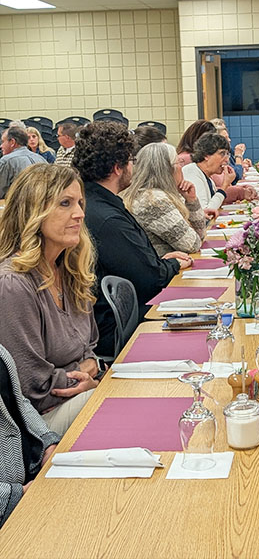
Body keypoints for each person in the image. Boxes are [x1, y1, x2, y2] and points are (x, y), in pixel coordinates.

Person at [72, 122, 191, 357]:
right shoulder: (106, 218)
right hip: (116, 329)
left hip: (114, 319)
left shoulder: (99, 203)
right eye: (130, 161)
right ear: (118, 167)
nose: (132, 167)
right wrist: (172, 265)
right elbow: (150, 280)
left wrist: (161, 263)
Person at [0, 164, 101, 435]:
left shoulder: (68, 270)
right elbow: (31, 386)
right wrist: (83, 375)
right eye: (65, 203)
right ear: (33, 211)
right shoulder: (13, 285)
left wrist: (89, 369)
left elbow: (90, 348)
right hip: (33, 428)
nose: (79, 214)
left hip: (71, 397)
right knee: (108, 404)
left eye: (80, 203)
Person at [0, 344, 60, 528]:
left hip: (28, 473)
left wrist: (47, 442)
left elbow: (19, 400)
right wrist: (18, 493)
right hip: (12, 503)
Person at [122, 143, 206, 256]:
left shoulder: (151, 194)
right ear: (167, 170)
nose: (181, 167)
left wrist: (191, 200)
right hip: (167, 270)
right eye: (179, 163)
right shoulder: (153, 201)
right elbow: (192, 244)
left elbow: (199, 236)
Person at [182, 133, 236, 211]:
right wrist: (225, 185)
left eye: (227, 154)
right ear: (206, 155)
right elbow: (206, 211)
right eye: (222, 154)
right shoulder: (191, 172)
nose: (227, 159)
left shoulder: (207, 177)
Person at [0, 126, 47, 199]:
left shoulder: (6, 161)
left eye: (3, 142)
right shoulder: (41, 159)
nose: (1, 146)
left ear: (12, 142)